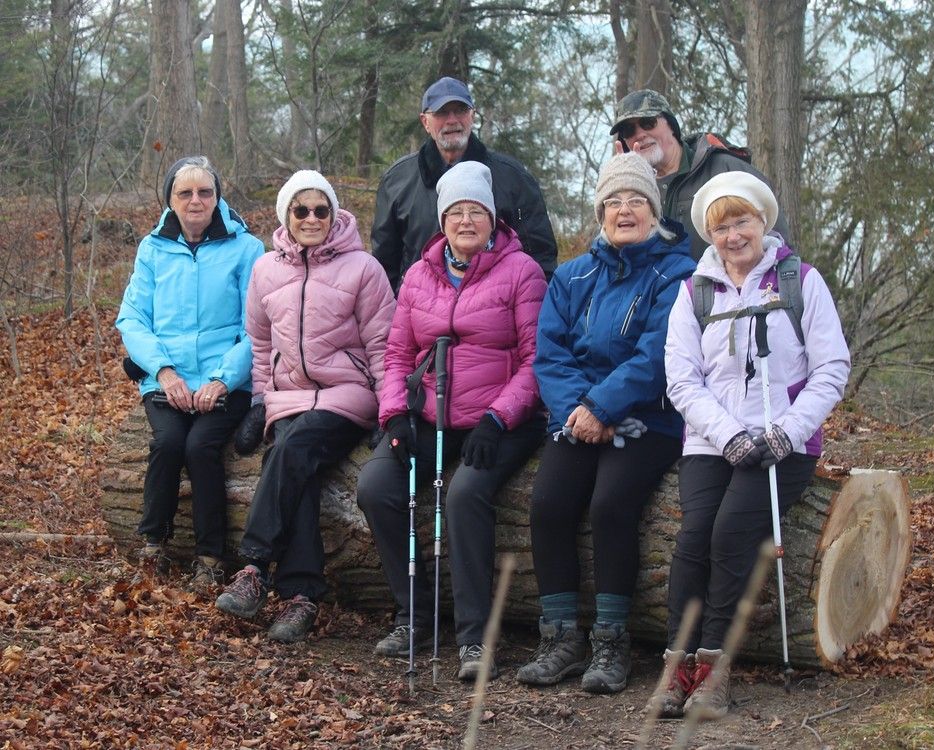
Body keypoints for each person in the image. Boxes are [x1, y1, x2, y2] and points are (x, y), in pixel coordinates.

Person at [662, 172, 850, 718]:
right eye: (720, 226)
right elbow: (681, 378)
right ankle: (678, 668)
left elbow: (831, 368)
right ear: (709, 235)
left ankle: (715, 672)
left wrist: (785, 432)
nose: (732, 235)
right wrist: (728, 436)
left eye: (741, 220)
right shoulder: (693, 292)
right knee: (692, 540)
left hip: (783, 442)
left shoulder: (800, 282)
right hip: (710, 441)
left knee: (730, 534)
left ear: (763, 222)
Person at [357, 160, 547, 680]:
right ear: (442, 220)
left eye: (476, 211)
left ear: (492, 217)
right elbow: (396, 354)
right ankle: (414, 614)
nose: (466, 221)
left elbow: (537, 360)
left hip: (497, 420)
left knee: (464, 495)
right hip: (429, 412)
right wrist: (395, 414)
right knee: (376, 486)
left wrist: (498, 418)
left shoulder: (522, 271)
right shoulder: (419, 275)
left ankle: (473, 638)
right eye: (456, 212)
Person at [516, 153, 696, 695]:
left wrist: (603, 407)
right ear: (599, 210)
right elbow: (550, 352)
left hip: (649, 418)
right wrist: (579, 410)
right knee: (548, 504)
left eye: (636, 200)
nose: (624, 210)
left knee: (611, 504)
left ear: (654, 210)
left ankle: (611, 642)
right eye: (614, 201)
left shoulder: (677, 273)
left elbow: (657, 353)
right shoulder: (573, 275)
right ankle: (562, 638)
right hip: (578, 418)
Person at [213, 170, 395, 643]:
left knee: (293, 451)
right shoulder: (266, 270)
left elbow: (383, 344)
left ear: (334, 215)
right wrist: (258, 403)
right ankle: (301, 597)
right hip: (287, 398)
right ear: (286, 216)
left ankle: (254, 564)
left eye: (321, 209)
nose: (311, 218)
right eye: (301, 209)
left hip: (346, 394)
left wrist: (389, 407)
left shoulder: (363, 268)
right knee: (294, 466)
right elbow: (257, 343)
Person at [116, 155, 264, 588]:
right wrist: (162, 371)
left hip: (228, 380)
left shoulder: (247, 249)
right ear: (171, 200)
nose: (196, 200)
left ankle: (210, 557)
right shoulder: (152, 248)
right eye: (185, 193)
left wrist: (223, 379)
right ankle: (154, 544)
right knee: (168, 442)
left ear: (218, 198)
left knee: (201, 447)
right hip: (168, 380)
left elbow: (256, 327)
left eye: (205, 192)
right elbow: (132, 319)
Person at [371, 76, 557, 292]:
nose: (452, 120)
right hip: (419, 315)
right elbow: (384, 267)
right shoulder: (397, 181)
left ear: (472, 115)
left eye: (460, 110)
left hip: (495, 316)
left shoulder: (514, 179)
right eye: (442, 112)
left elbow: (541, 260)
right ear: (425, 121)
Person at [609, 89, 789, 260]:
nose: (640, 134)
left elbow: (776, 240)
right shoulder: (627, 191)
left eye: (648, 123)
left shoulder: (726, 169)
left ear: (671, 125)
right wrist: (624, 183)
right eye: (629, 131)